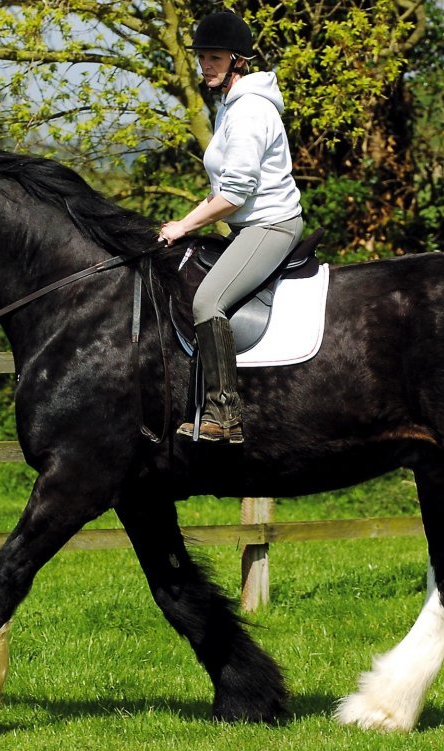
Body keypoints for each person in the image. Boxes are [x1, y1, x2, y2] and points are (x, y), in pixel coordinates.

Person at [159, 9, 304, 444]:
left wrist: (184, 225)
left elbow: (235, 195)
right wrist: (181, 222)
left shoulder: (249, 112)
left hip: (270, 225)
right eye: (202, 57)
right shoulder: (229, 108)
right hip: (246, 227)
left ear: (238, 60)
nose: (206, 65)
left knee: (207, 303)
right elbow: (222, 189)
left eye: (215, 58)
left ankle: (225, 414)